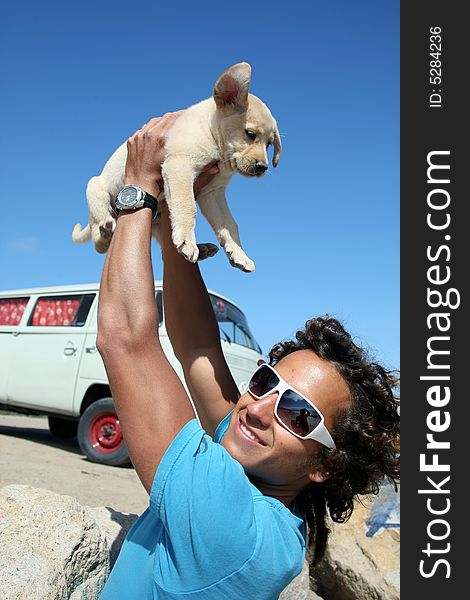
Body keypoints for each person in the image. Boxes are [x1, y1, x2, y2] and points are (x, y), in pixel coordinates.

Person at [96, 112, 400, 599]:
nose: (257, 408)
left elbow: (124, 340)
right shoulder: (268, 490)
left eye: (298, 413)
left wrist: (138, 187)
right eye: (265, 382)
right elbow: (197, 346)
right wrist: (178, 220)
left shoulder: (236, 531)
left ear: (325, 465)